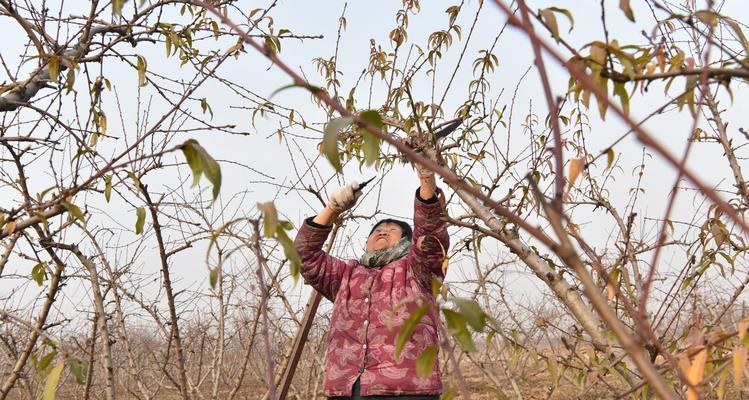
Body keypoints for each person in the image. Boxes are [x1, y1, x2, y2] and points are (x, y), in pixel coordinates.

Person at [294, 168, 449, 399]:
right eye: (377, 230)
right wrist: (333, 208)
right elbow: (303, 255)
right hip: (345, 390)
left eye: (392, 230)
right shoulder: (345, 274)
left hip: (408, 391)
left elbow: (431, 236)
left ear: (407, 241)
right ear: (367, 241)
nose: (383, 232)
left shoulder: (417, 271)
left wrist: (426, 176)